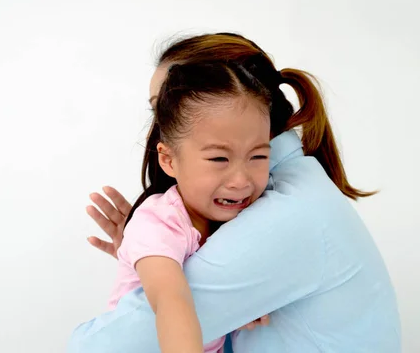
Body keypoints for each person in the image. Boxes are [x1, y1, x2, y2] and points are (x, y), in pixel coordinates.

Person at [69, 33, 401, 352]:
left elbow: (102, 346)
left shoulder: (284, 214)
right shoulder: (291, 189)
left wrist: (164, 273)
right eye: (160, 110)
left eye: (167, 106)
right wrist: (151, 257)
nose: (164, 123)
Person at [108, 61, 277, 353]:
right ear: (169, 160)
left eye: (258, 157)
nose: (241, 180)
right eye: (219, 160)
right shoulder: (157, 222)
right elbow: (170, 300)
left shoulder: (246, 221)